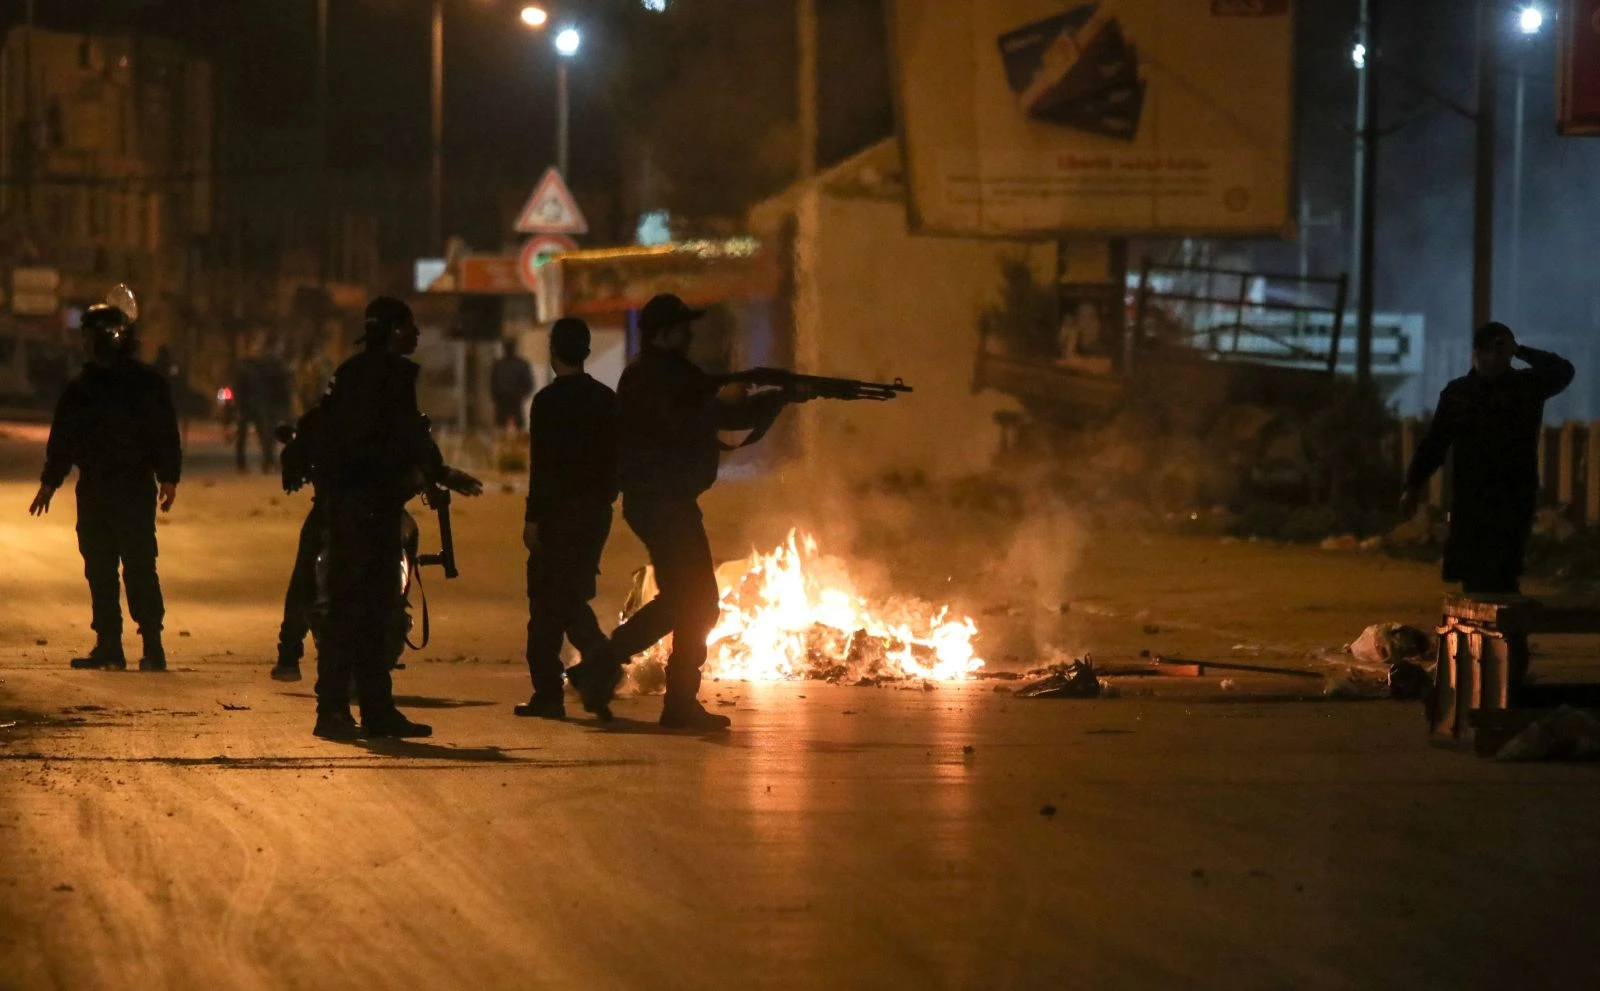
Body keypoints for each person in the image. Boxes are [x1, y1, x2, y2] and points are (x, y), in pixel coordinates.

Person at [579, 293, 807, 729]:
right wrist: (775, 400)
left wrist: (772, 397)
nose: (691, 334)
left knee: (690, 601)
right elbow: (713, 418)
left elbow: (715, 415)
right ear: (664, 334)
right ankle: (637, 682)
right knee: (697, 602)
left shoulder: (665, 375)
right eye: (683, 328)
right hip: (661, 502)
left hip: (665, 501)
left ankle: (619, 675)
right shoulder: (657, 379)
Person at [312, 296, 482, 741]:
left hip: (352, 507)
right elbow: (408, 434)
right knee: (363, 611)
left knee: (364, 610)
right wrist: (440, 472)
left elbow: (325, 431)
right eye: (409, 327)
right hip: (369, 509)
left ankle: (367, 710)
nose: (417, 335)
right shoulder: (391, 377)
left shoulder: (348, 374)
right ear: (392, 331)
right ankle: (345, 711)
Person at [29, 301, 182, 672]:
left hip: (127, 487)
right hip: (103, 487)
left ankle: (149, 643)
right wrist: (50, 482)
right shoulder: (84, 387)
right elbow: (64, 439)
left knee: (135, 564)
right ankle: (114, 644)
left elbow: (163, 432)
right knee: (104, 566)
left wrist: (169, 477)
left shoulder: (137, 384)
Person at [1402, 322, 1574, 595]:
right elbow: (1435, 442)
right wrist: (1414, 484)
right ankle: (1481, 634)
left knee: (1505, 572)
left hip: (1514, 496)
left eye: (1503, 351)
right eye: (1492, 350)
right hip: (1472, 497)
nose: (1497, 358)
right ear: (1477, 353)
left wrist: (1521, 350)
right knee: (1473, 572)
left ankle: (1507, 634)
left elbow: (1564, 371)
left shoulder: (1525, 387)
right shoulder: (1459, 394)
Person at [517, 318, 618, 719]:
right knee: (572, 595)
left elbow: (542, 468)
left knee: (546, 604)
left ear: (553, 351)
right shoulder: (607, 400)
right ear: (587, 353)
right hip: (594, 515)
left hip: (558, 515)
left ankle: (555, 690)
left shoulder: (547, 403)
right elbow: (616, 460)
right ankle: (597, 674)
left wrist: (533, 518)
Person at [234, 341, 293, 473]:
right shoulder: (246, 368)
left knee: (264, 434)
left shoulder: (261, 367)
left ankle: (266, 461)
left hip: (258, 404)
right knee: (247, 435)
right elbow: (239, 387)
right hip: (248, 404)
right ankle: (244, 463)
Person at [490, 338, 535, 432]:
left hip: (502, 401)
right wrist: (521, 395)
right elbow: (529, 385)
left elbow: (493, 386)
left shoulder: (498, 365)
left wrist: (495, 399)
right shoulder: (522, 364)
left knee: (501, 430)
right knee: (519, 430)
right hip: (516, 401)